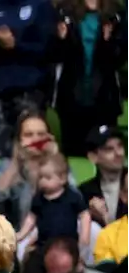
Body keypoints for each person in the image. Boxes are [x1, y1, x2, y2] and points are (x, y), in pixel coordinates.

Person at [0, 0, 53, 159]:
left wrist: (16, 45)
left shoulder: (40, 5)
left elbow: (48, 49)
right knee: (0, 150)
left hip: (31, 90)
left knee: (33, 149)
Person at [52, 0, 123, 158]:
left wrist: (108, 42)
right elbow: (53, 54)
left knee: (106, 153)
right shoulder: (64, 12)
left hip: (105, 98)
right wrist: (61, 40)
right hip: (72, 97)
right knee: (73, 153)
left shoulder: (115, 14)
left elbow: (120, 58)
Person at [15, 155, 91, 260]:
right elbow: (31, 217)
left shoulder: (72, 196)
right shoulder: (38, 198)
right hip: (43, 244)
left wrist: (85, 235)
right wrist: (22, 234)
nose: (42, 181)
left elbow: (84, 215)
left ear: (62, 178)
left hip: (68, 244)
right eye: (40, 177)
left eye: (47, 178)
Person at [81, 125, 127, 225]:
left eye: (120, 146)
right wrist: (91, 215)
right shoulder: (84, 192)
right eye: (109, 149)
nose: (118, 153)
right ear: (93, 157)